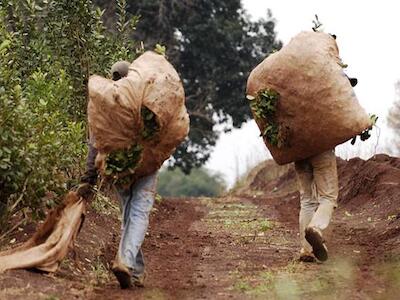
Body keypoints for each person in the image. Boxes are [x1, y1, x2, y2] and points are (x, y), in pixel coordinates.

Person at [79, 61, 158, 289]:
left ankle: (135, 269)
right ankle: (125, 262)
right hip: (145, 167)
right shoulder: (144, 99)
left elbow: (95, 143)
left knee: (127, 216)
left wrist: (89, 177)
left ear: (112, 77)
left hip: (117, 168)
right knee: (139, 214)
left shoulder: (104, 103)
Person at [296, 76, 357, 262]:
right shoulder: (329, 93)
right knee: (328, 197)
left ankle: (306, 250)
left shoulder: (295, 92)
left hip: (298, 150)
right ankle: (315, 227)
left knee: (307, 200)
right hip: (321, 149)